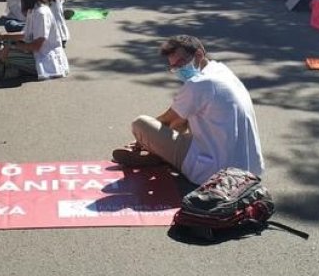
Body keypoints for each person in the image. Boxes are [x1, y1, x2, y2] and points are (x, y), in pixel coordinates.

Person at [112, 35, 265, 185]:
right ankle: (159, 153)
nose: (179, 69)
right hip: (250, 168)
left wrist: (144, 139)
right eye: (174, 67)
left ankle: (157, 153)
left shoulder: (199, 83)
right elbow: (180, 121)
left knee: (141, 123)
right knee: (182, 122)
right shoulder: (222, 71)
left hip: (215, 173)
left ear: (199, 54)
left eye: (182, 63)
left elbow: (166, 121)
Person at [0, 0, 69, 80]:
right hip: (38, 53)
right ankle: (14, 69)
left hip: (46, 58)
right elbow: (26, 34)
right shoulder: (33, 10)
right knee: (4, 49)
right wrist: (4, 36)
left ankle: (15, 69)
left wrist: (13, 45)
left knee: (6, 52)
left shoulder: (41, 13)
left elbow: (37, 46)